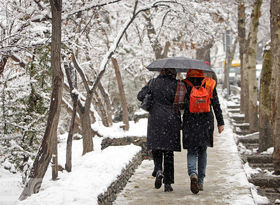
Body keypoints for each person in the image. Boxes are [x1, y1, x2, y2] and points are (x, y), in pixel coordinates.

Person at [137, 68, 181, 192]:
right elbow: (182, 102)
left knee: (157, 147)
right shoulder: (177, 84)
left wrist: (151, 96)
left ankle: (158, 170)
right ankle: (168, 183)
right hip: (171, 119)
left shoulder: (153, 82)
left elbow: (140, 96)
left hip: (155, 118)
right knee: (168, 152)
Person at [182, 69, 224, 194]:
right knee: (202, 150)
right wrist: (220, 122)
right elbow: (216, 104)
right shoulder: (209, 83)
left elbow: (180, 104)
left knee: (191, 150)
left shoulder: (184, 84)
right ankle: (200, 181)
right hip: (206, 121)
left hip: (190, 120)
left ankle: (192, 174)